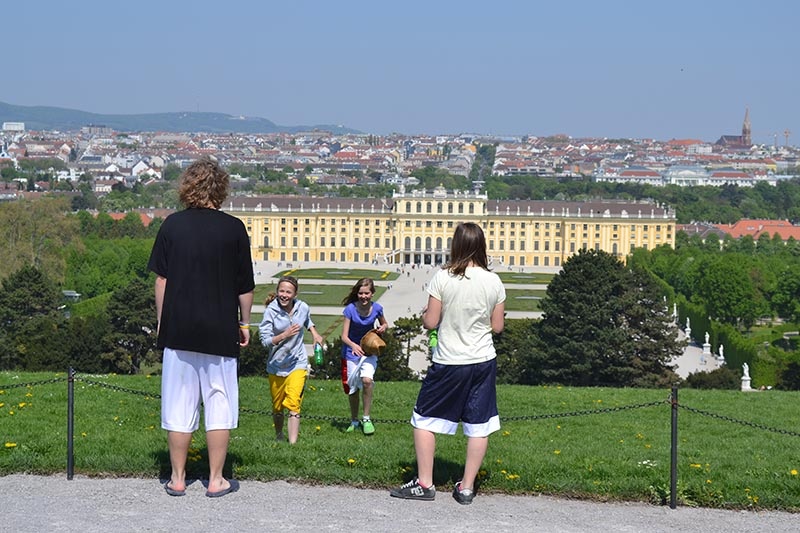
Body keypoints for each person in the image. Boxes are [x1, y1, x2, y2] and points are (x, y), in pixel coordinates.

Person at [148, 156, 254, 498]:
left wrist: (162, 321)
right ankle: (216, 479)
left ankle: (177, 478)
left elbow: (162, 281)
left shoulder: (172, 225)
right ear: (220, 188)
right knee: (219, 403)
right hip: (220, 328)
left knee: (178, 405)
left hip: (179, 328)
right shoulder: (233, 228)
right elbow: (245, 287)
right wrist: (244, 322)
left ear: (186, 187)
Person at [389, 222, 505, 505]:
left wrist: (427, 315)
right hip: (483, 360)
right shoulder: (494, 281)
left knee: (423, 418)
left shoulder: (442, 277)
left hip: (450, 360)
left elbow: (430, 322)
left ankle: (425, 483)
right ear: (482, 246)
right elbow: (497, 327)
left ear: (456, 246)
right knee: (479, 425)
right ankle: (466, 487)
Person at [259, 276, 324, 444]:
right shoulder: (271, 312)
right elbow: (265, 341)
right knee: (277, 407)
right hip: (276, 365)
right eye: (281, 291)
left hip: (297, 362)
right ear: (277, 292)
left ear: (295, 294)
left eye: (288, 292)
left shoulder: (302, 307)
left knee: (294, 402)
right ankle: (279, 435)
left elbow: (307, 320)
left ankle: (293, 444)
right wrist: (284, 335)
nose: (284, 295)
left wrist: (315, 334)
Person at [341, 277, 388, 435]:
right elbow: (344, 336)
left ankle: (366, 418)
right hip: (351, 351)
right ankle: (354, 420)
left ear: (372, 293)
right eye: (361, 293)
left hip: (369, 350)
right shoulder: (350, 309)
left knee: (367, 381)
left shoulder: (377, 308)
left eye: (367, 293)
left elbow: (385, 323)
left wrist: (383, 328)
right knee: (353, 388)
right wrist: (353, 346)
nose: (363, 296)